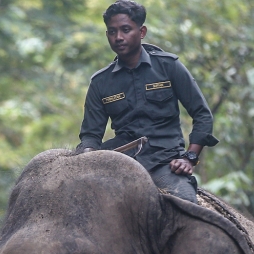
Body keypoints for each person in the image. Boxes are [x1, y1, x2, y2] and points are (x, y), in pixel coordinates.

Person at [77, 0, 218, 203]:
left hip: (165, 162)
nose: (118, 37)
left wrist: (189, 158)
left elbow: (202, 115)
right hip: (120, 163)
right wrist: (88, 154)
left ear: (141, 32)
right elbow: (91, 135)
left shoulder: (169, 66)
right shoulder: (100, 82)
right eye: (112, 32)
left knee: (186, 206)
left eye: (125, 30)